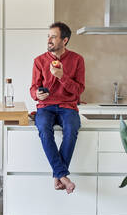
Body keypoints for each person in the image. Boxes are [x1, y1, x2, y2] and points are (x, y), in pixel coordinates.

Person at [30, 22, 85, 194]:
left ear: (65, 40)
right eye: (48, 36)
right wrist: (36, 95)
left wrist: (62, 77)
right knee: (44, 129)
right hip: (45, 107)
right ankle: (63, 176)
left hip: (68, 106)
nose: (49, 40)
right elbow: (33, 88)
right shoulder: (39, 61)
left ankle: (58, 175)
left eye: (53, 36)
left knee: (72, 128)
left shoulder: (77, 60)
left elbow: (79, 90)